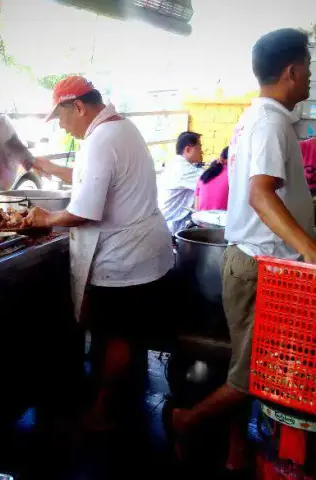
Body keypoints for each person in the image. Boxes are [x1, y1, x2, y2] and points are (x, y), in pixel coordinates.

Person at [167, 28, 315, 475]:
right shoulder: (270, 122)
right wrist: (311, 251)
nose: (310, 78)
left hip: (253, 261)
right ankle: (185, 420)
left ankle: (234, 453)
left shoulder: (259, 116)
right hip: (260, 266)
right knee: (254, 374)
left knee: (244, 364)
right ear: (292, 71)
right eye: (308, 69)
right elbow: (260, 195)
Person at [25, 76, 174, 428]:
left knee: (117, 337)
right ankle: (124, 405)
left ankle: (102, 412)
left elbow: (84, 211)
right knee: (128, 336)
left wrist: (47, 218)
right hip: (147, 253)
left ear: (78, 106)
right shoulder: (120, 128)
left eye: (62, 117)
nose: (62, 126)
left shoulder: (100, 140)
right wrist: (49, 167)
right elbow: (91, 176)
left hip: (126, 260)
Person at [158, 131, 204, 233]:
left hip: (171, 220)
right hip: (172, 225)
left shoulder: (176, 163)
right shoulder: (182, 169)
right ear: (188, 149)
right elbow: (209, 181)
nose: (202, 151)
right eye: (199, 147)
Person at [195, 146, 230, 211]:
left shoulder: (204, 175)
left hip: (200, 218)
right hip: (221, 219)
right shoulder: (233, 175)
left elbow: (197, 208)